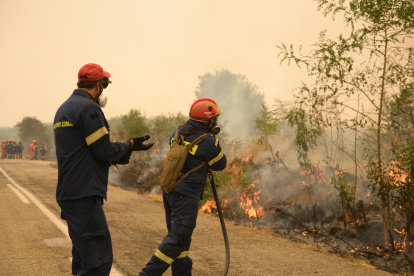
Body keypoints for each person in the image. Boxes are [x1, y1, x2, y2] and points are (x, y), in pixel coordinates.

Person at [54, 63, 154, 276]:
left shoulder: (64, 109)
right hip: (84, 194)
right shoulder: (89, 109)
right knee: (98, 262)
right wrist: (129, 145)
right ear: (100, 86)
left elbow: (81, 151)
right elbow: (103, 150)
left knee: (83, 259)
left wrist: (115, 156)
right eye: (104, 85)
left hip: (69, 193)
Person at [139, 98, 227, 276]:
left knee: (180, 240)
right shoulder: (209, 142)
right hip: (186, 196)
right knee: (177, 239)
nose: (216, 122)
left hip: (170, 192)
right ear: (207, 121)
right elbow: (220, 164)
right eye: (214, 119)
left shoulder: (177, 132)